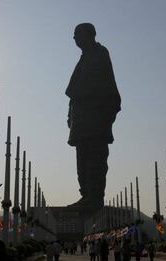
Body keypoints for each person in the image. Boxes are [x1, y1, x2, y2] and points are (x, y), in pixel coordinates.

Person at [66, 23, 121, 209]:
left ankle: (94, 197)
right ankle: (86, 195)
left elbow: (104, 87)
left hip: (95, 120)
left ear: (89, 34)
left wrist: (104, 114)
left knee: (94, 161)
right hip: (81, 122)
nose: (74, 38)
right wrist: (70, 116)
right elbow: (73, 94)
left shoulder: (99, 54)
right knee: (81, 162)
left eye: (77, 34)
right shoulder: (84, 59)